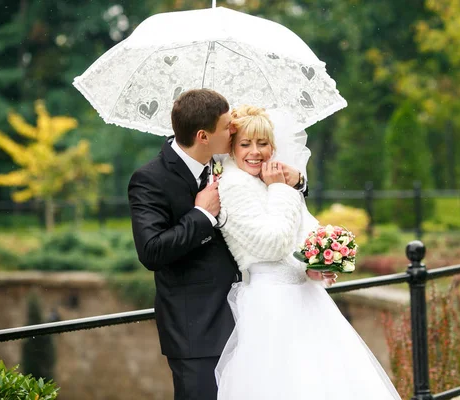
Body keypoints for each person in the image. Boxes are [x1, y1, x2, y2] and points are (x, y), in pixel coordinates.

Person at [128, 89, 322, 400]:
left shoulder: (223, 159)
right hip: (197, 326)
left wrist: (298, 181)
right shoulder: (151, 179)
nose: (233, 128)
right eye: (227, 125)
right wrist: (202, 214)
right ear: (203, 135)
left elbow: (264, 193)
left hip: (249, 316)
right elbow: (151, 251)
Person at [215, 105, 401, 400]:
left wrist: (311, 266)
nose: (255, 152)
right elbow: (272, 243)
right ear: (232, 149)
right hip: (270, 302)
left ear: (272, 146)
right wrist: (282, 190)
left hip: (307, 298)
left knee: (326, 381)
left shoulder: (269, 179)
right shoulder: (232, 185)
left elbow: (299, 234)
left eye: (262, 143)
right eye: (245, 144)